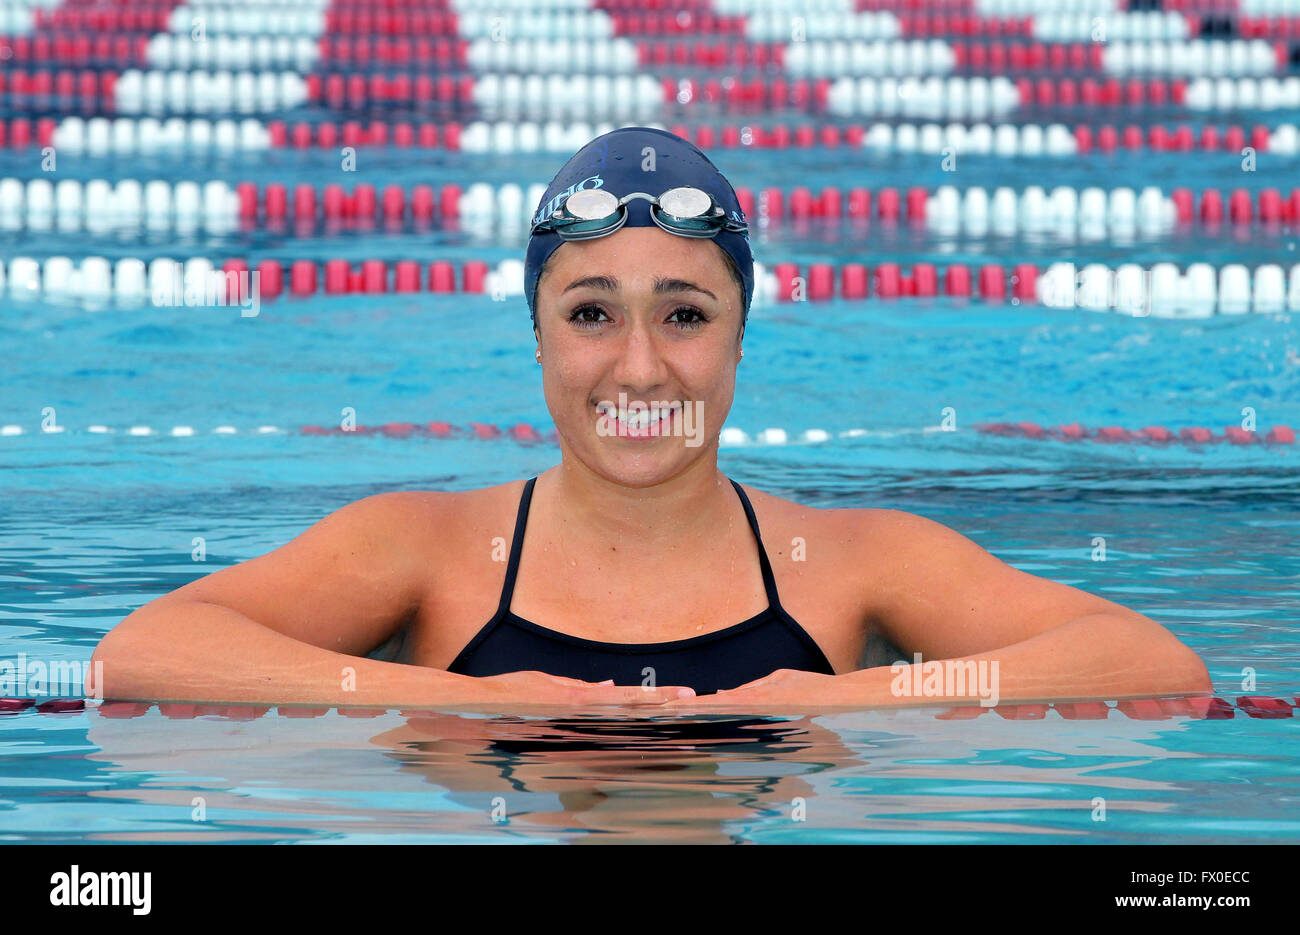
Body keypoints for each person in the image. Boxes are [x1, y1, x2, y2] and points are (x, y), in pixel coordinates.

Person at [90, 127, 1212, 710]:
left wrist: (859, 699)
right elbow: (142, 653)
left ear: (738, 337)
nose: (638, 366)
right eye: (591, 313)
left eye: (683, 312)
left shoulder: (859, 560)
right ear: (535, 335)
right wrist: (453, 703)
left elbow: (1150, 659)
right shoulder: (421, 547)